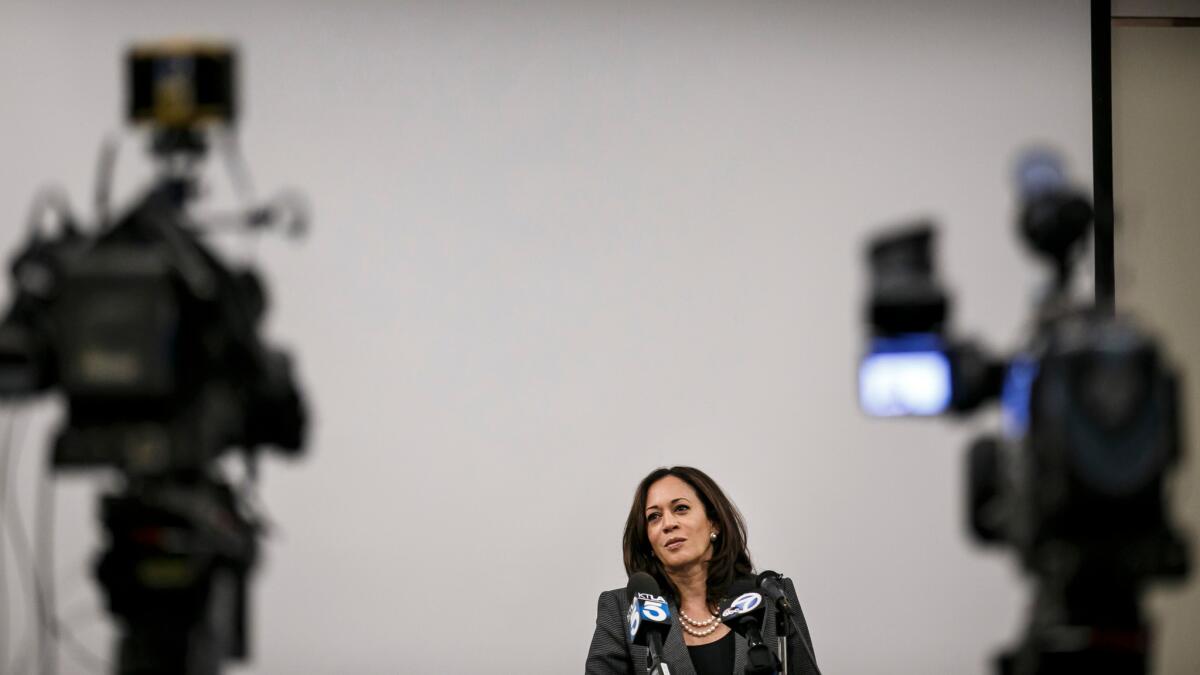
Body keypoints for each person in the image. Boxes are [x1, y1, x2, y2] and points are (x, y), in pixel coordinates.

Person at [585, 466, 819, 675]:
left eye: (681, 508)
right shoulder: (621, 610)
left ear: (714, 523)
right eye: (654, 517)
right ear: (648, 540)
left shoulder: (771, 596)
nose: (668, 524)